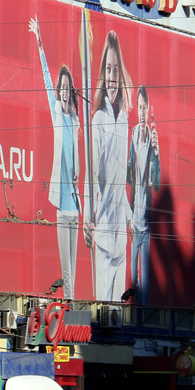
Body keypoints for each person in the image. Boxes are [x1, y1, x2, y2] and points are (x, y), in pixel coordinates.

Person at [31, 15, 83, 300]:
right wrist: (40, 41)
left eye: (67, 88)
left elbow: (78, 156)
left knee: (74, 263)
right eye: (62, 88)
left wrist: (78, 172)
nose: (63, 91)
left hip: (75, 203)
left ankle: (73, 302)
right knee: (67, 268)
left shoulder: (75, 119)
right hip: (62, 206)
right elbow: (46, 78)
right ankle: (70, 304)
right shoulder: (56, 113)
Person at [86, 30, 133, 302]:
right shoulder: (99, 120)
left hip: (121, 239)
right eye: (108, 69)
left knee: (119, 319)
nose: (112, 76)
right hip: (103, 235)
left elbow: (120, 181)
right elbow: (94, 176)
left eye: (116, 69)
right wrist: (88, 217)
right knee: (101, 313)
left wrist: (130, 218)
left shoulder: (124, 119)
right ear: (103, 74)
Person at [127, 85, 161, 306]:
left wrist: (157, 155)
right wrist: (128, 217)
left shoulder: (152, 140)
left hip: (146, 226)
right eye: (138, 107)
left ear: (148, 109)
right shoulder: (132, 137)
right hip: (134, 223)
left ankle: (146, 321)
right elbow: (127, 176)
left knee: (146, 283)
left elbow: (157, 185)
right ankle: (132, 319)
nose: (141, 112)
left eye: (144, 107)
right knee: (132, 281)